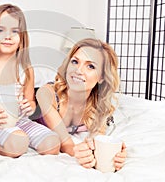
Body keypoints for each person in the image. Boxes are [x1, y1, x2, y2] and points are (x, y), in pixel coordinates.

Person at [0, 4, 60, 157]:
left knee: (53, 144)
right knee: (18, 143)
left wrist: (29, 107)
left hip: (21, 122)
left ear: (22, 36)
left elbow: (30, 101)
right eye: (0, 30)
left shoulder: (26, 69)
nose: (8, 36)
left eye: (14, 31)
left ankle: (17, 140)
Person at [36, 38, 127, 170]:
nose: (78, 70)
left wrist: (115, 153)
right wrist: (78, 153)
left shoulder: (98, 107)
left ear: (101, 77)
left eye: (90, 66)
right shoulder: (46, 94)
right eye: (75, 62)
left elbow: (98, 140)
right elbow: (65, 143)